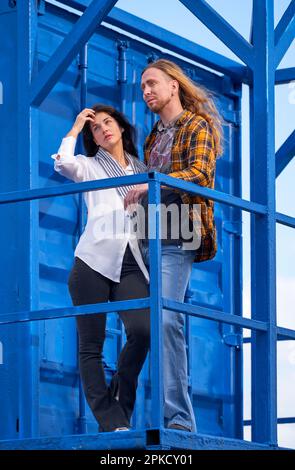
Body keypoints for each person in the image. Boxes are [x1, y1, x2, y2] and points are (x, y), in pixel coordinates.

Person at [125, 59, 223, 432]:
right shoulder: (153, 136)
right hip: (148, 236)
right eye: (142, 87)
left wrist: (149, 181)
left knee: (166, 319)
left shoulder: (197, 126)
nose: (147, 91)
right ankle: (125, 416)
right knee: (150, 324)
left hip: (178, 234)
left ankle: (179, 419)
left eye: (152, 84)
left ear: (173, 86)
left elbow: (199, 173)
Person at [51, 104, 150, 432]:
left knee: (143, 331)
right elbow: (62, 163)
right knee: (91, 346)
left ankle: (120, 408)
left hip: (131, 261)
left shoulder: (141, 169)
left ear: (121, 128)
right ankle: (111, 421)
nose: (103, 129)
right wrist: (77, 125)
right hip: (92, 262)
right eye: (97, 128)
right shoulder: (89, 165)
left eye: (109, 123)